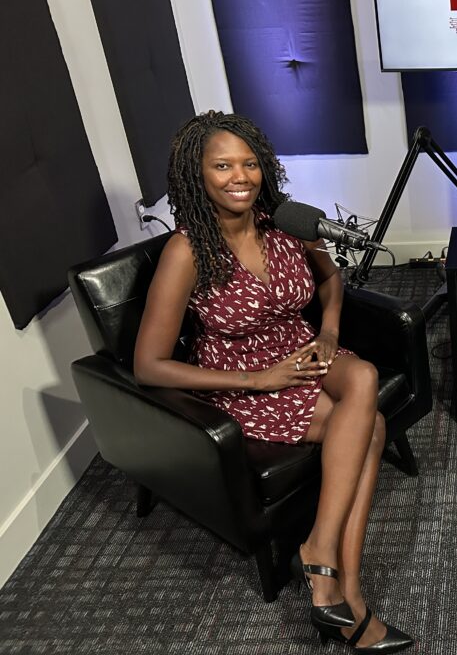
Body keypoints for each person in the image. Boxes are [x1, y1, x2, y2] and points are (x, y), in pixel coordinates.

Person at [134, 111, 413, 652]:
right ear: (198, 174)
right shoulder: (186, 251)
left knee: (362, 374)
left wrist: (329, 331)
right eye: (222, 166)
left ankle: (321, 554)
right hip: (243, 379)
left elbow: (331, 278)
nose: (241, 176)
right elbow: (148, 365)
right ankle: (346, 596)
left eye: (250, 163)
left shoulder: (284, 221)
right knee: (372, 425)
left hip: (303, 351)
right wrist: (259, 379)